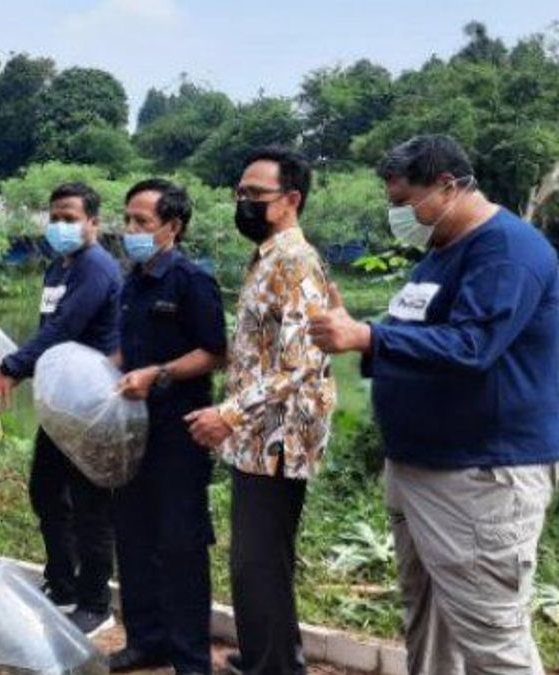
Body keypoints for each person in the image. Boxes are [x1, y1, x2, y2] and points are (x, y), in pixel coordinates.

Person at [309, 134, 559, 674]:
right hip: (424, 470)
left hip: (478, 478)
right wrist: (367, 335)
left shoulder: (506, 253)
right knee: (430, 623)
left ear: (448, 186)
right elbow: (413, 333)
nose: (398, 215)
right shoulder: (440, 254)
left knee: (493, 640)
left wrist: (366, 338)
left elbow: (472, 346)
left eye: (404, 203)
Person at [185, 147, 335, 675]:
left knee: (260, 562)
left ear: (292, 199)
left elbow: (300, 360)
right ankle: (266, 656)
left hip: (278, 435)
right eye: (240, 193)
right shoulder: (270, 255)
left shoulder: (294, 261)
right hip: (257, 435)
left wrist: (229, 412)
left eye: (256, 195)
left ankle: (277, 667)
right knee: (254, 562)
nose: (243, 202)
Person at [0, 182, 122, 636]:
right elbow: (50, 331)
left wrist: (11, 368)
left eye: (70, 217)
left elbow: (65, 329)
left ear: (93, 223)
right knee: (45, 491)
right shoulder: (59, 269)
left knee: (90, 506)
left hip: (93, 406)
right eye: (55, 217)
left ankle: (96, 603)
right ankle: (62, 584)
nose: (60, 225)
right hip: (63, 405)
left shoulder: (96, 268)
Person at [111, 179, 227, 674]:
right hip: (131, 430)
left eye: (142, 222)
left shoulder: (191, 281)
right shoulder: (131, 280)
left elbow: (215, 353)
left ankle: (189, 657)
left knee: (179, 543)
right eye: (128, 220)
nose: (131, 230)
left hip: (178, 430)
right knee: (132, 534)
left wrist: (159, 374)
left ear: (173, 227)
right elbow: (127, 348)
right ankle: (146, 640)